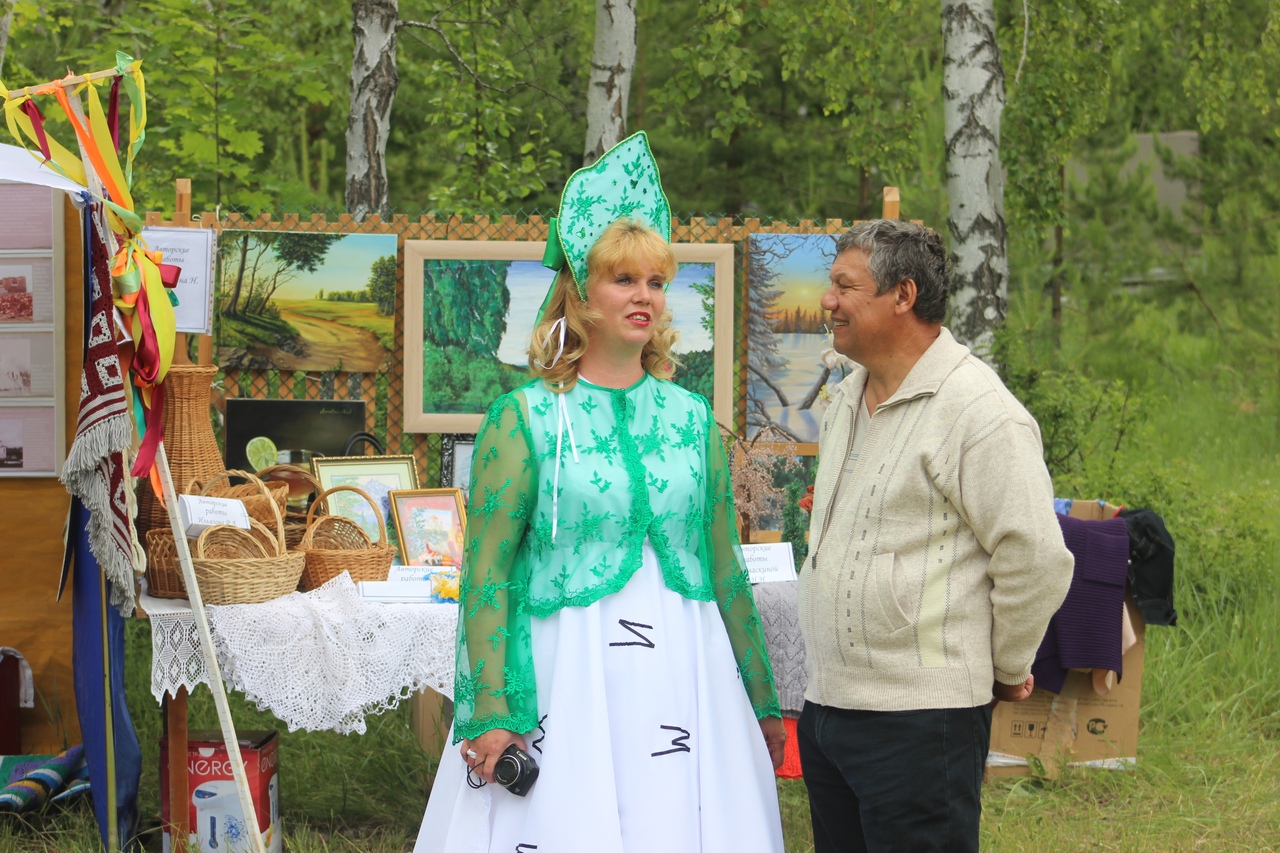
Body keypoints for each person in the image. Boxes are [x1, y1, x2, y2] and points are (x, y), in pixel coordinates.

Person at [415, 132, 785, 853]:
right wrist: (492, 707)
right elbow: (486, 572)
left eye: (654, 280)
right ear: (581, 292)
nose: (643, 295)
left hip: (687, 687)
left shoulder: (692, 422)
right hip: (565, 690)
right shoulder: (523, 417)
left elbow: (725, 568)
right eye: (623, 279)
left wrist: (762, 700)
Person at [796, 220, 1074, 853]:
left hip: (921, 721)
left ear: (903, 295)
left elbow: (1035, 557)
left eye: (845, 286)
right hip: (829, 706)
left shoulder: (980, 412)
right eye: (830, 285)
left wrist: (1007, 668)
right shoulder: (847, 397)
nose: (829, 301)